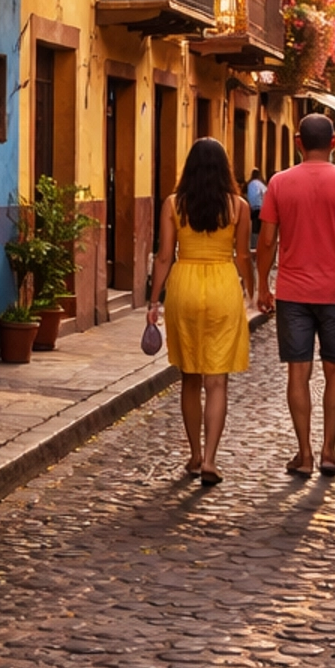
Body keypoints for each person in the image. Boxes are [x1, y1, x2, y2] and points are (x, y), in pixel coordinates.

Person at [256, 112, 335, 481]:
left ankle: (304, 454)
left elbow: (266, 241)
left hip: (293, 291)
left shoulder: (279, 183)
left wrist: (262, 284)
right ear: (334, 143)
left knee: (299, 370)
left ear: (297, 142)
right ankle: (329, 450)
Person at [146, 137, 254, 491]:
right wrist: (252, 290)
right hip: (223, 285)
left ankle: (193, 455)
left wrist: (153, 302)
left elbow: (164, 256)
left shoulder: (174, 204)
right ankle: (210, 458)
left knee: (190, 377)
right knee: (217, 380)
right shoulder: (238, 206)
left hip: (185, 284)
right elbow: (243, 257)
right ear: (225, 169)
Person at [245, 166, 266, 248]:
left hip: (253, 208)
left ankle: (254, 244)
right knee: (261, 228)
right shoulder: (262, 184)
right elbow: (265, 194)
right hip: (262, 208)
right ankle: (260, 244)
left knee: (254, 227)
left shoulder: (249, 184)